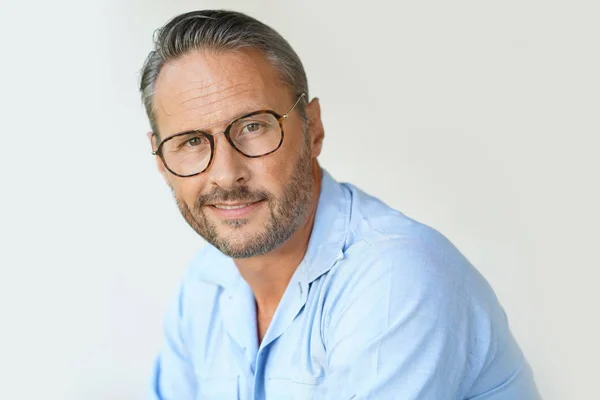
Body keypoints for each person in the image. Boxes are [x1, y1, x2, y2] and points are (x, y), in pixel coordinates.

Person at [139, 9, 540, 400]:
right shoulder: (203, 285)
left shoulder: (395, 278)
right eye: (191, 141)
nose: (226, 174)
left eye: (253, 126)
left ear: (312, 129)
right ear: (161, 162)